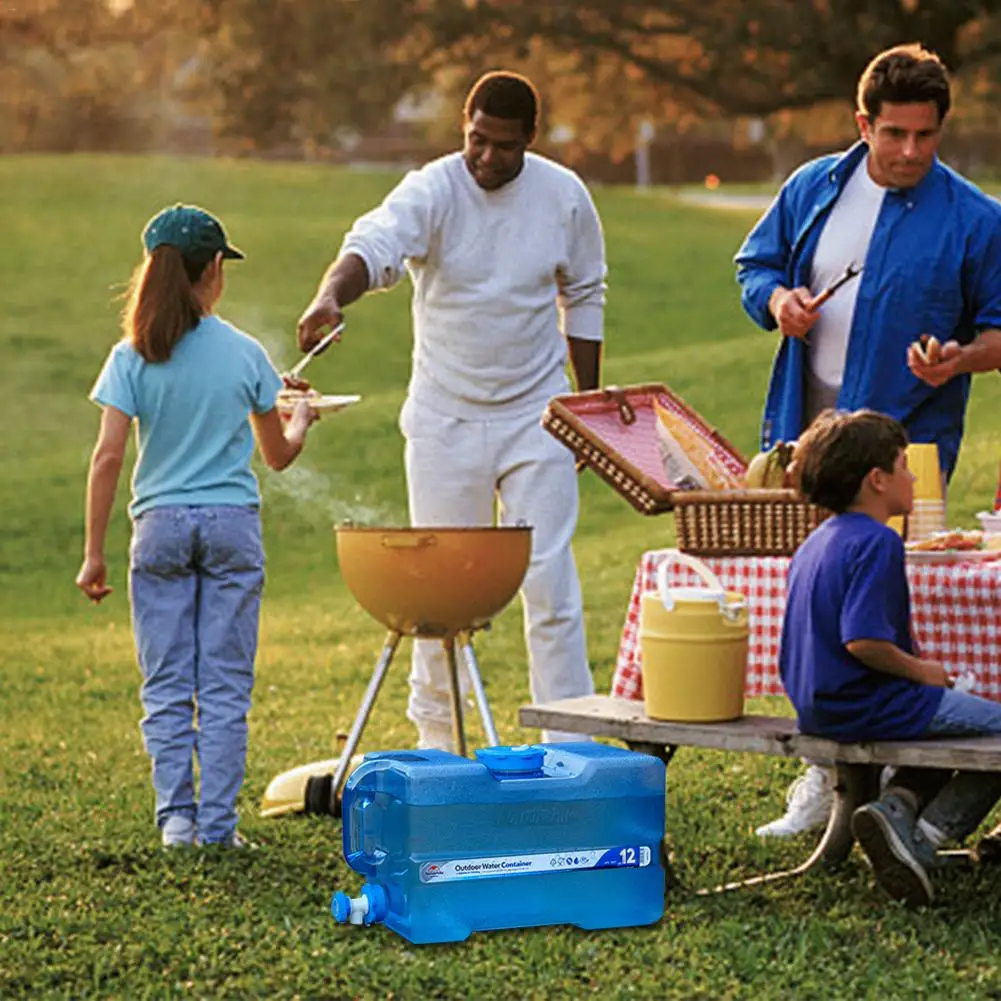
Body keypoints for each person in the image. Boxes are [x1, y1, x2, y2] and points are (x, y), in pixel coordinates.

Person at [734, 43, 1001, 837]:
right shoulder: (811, 186)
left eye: (925, 136)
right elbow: (754, 267)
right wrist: (778, 301)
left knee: (891, 602)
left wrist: (958, 357)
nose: (910, 152)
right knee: (814, 603)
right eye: (893, 134)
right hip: (803, 443)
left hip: (904, 454)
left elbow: (998, 330)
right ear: (862, 124)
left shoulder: (976, 219)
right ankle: (825, 779)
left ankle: (894, 778)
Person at [296, 71, 606, 750]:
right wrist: (329, 297)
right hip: (444, 416)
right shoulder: (434, 187)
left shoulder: (564, 197)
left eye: (502, 145)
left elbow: (583, 294)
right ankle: (439, 739)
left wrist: (584, 409)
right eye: (475, 140)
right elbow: (373, 244)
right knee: (437, 593)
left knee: (549, 580)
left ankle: (571, 743)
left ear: (531, 136)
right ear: (462, 126)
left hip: (537, 412)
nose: (486, 158)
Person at [76, 204, 318, 848]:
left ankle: (176, 823)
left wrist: (93, 555)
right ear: (213, 269)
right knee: (224, 686)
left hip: (157, 526)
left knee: (166, 682)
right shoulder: (244, 353)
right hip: (231, 528)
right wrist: (301, 418)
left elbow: (106, 457)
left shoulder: (132, 355)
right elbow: (278, 455)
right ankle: (217, 827)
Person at [780, 409, 1001, 906]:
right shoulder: (878, 540)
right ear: (877, 480)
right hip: (869, 704)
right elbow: (863, 642)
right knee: (995, 730)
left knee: (959, 727)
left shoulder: (817, 541)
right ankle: (924, 838)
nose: (915, 475)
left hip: (821, 706)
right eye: (904, 464)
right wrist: (925, 674)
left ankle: (895, 809)